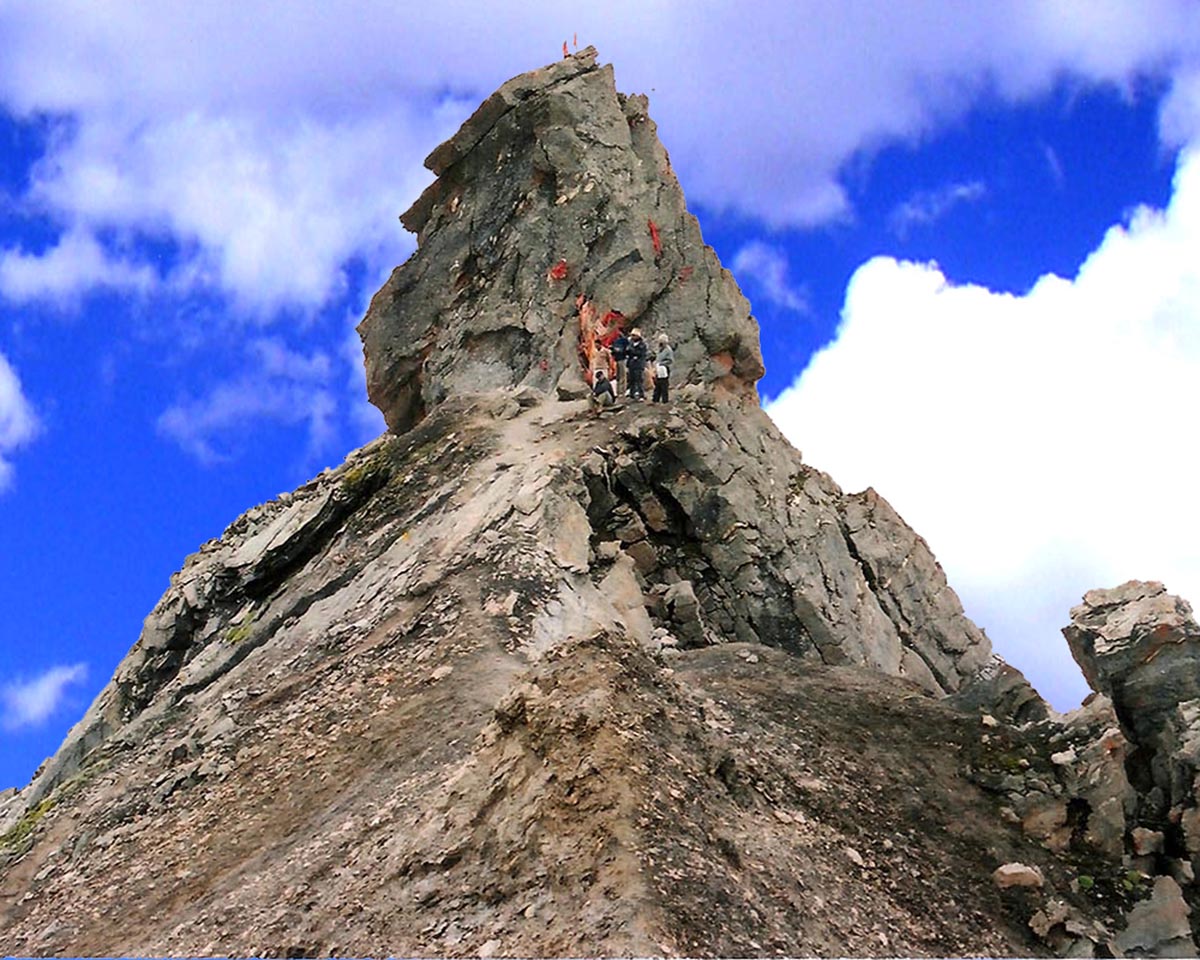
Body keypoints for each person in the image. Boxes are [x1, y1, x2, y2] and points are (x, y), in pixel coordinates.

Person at [625, 328, 648, 401]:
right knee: (631, 380)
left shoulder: (642, 345)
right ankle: (632, 394)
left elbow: (641, 354)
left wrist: (633, 353)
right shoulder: (630, 344)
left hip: (638, 365)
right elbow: (628, 352)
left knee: (639, 380)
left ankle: (641, 394)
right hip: (631, 364)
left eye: (634, 335)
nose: (632, 337)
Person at [653, 333, 673, 403]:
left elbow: (670, 360)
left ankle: (665, 400)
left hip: (665, 369)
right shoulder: (659, 349)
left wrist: (662, 363)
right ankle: (655, 399)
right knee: (657, 384)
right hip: (658, 368)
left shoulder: (668, 350)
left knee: (664, 384)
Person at [609, 329, 629, 397]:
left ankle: (622, 391)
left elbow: (627, 349)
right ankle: (618, 391)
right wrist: (613, 350)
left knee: (623, 376)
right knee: (618, 376)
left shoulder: (624, 340)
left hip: (622, 359)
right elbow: (613, 351)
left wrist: (621, 351)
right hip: (616, 360)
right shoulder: (615, 341)